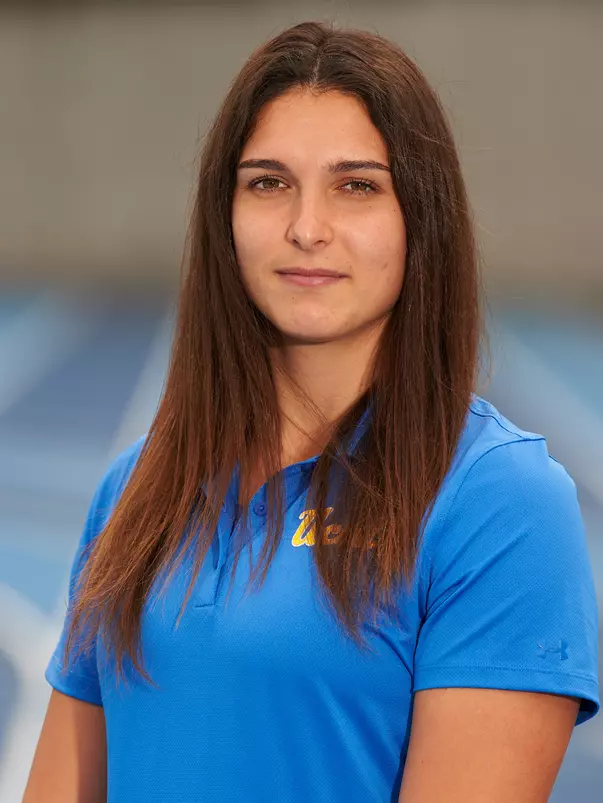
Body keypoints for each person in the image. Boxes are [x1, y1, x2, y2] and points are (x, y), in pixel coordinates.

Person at [24, 20, 599, 803]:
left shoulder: (497, 502)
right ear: (224, 217)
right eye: (268, 182)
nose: (306, 227)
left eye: (355, 185)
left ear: (417, 219)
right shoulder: (136, 489)